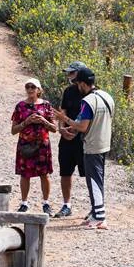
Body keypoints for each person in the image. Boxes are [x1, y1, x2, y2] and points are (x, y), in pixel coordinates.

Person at [52, 68, 115, 229]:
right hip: (104, 142)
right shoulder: (106, 96)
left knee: (93, 180)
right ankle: (95, 212)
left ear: (81, 83)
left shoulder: (88, 101)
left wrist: (63, 119)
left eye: (77, 82)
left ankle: (99, 217)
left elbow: (82, 125)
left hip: (92, 145)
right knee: (98, 178)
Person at [10, 77, 57, 214]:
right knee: (25, 174)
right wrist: (26, 122)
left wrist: (43, 121)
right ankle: (24, 203)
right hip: (25, 144)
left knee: (44, 174)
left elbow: (54, 128)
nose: (30, 89)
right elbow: (13, 130)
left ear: (38, 90)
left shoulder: (46, 105)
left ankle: (46, 203)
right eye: (28, 87)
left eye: (33, 87)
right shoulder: (20, 106)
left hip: (42, 145)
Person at [54, 61, 89, 218]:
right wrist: (61, 129)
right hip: (67, 138)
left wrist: (75, 129)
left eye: (72, 73)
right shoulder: (68, 91)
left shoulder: (91, 93)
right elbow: (63, 111)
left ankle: (95, 207)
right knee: (65, 172)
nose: (69, 76)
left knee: (89, 173)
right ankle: (67, 205)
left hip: (85, 139)